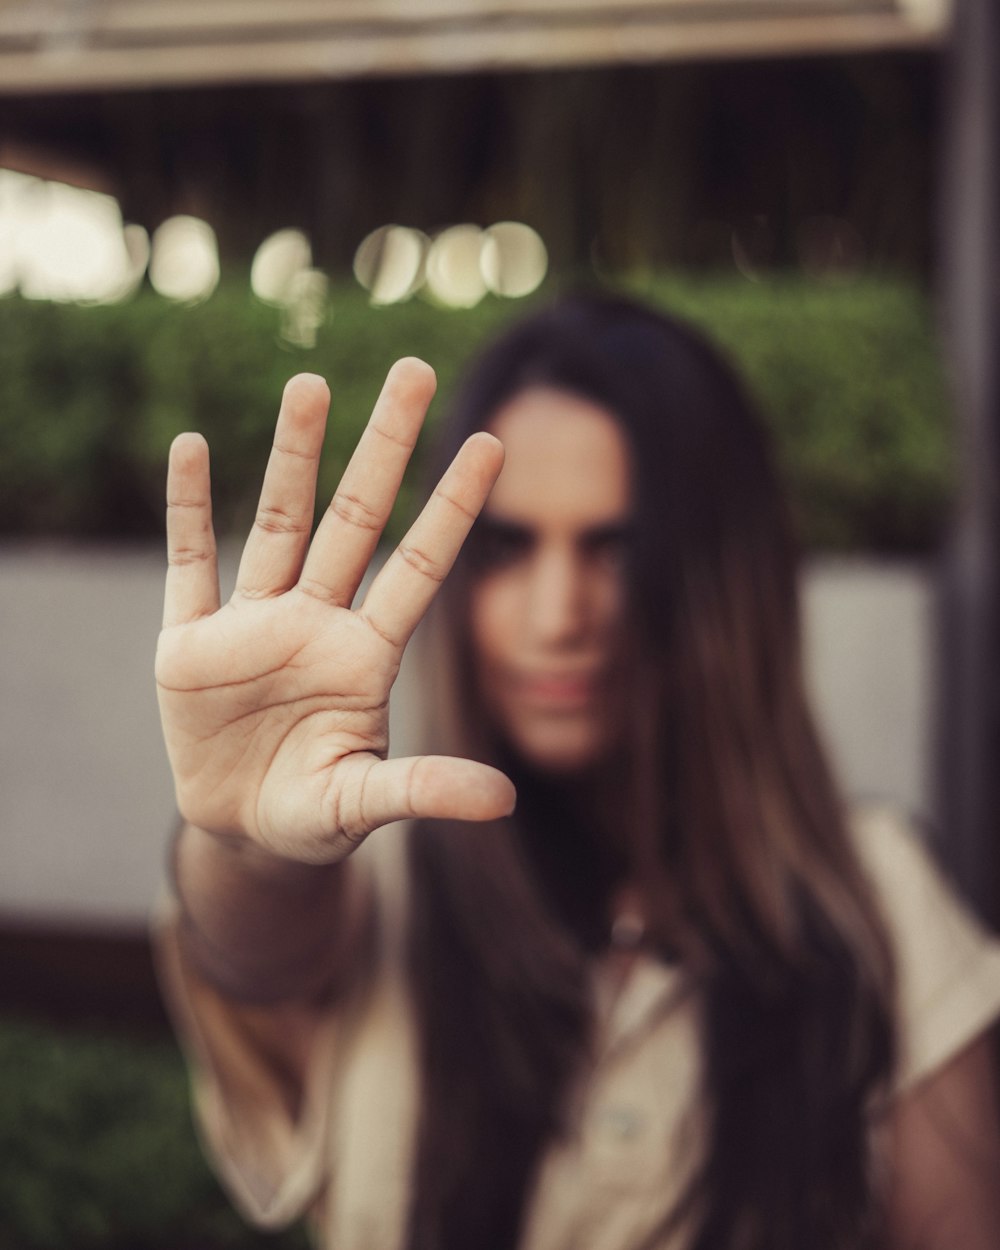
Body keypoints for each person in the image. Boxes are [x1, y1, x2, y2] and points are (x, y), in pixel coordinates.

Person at [156, 292, 1000, 1250]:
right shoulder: (384, 875)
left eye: (618, 547)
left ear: (723, 577)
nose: (560, 614)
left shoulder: (878, 905)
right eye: (510, 547)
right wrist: (244, 841)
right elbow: (259, 950)